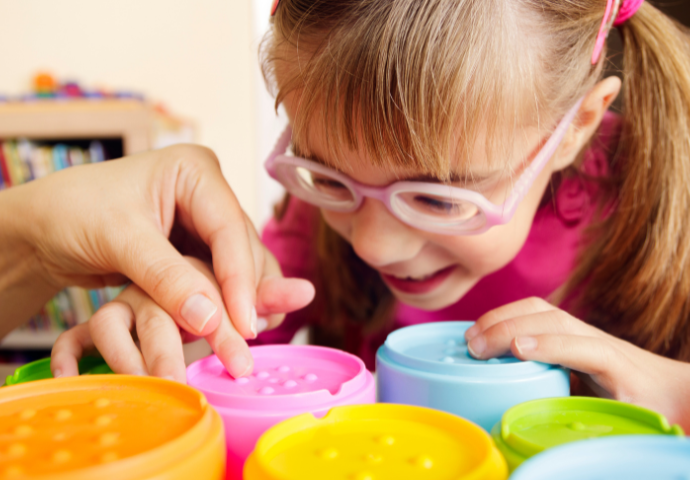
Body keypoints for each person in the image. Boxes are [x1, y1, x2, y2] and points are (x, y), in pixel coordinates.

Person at [53, 0, 690, 430]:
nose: (375, 245)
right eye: (326, 174)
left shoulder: (667, 195)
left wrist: (677, 392)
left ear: (576, 125)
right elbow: (237, 346)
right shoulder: (312, 222)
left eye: (439, 198)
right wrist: (183, 327)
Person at [0, 144, 313, 380]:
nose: (364, 241)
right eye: (331, 178)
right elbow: (242, 357)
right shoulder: (298, 237)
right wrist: (181, 307)